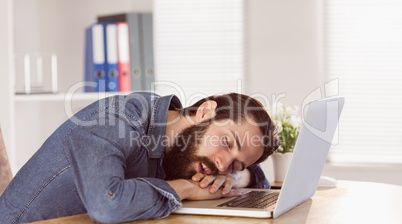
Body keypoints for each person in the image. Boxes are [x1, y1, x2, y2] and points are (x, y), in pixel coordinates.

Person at [0, 92, 279, 223]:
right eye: (227, 142)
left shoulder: (180, 146)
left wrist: (239, 176)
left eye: (234, 164)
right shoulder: (119, 120)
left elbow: (259, 179)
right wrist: (186, 188)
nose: (221, 165)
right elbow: (107, 205)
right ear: (205, 111)